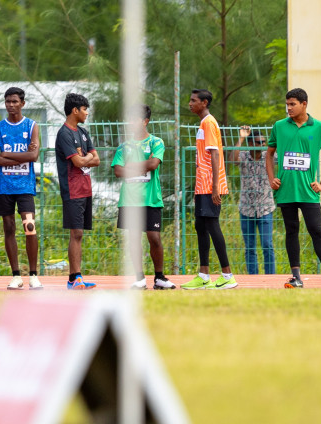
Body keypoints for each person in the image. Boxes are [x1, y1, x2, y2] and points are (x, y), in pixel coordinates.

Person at [267, 89, 321, 288]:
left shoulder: (319, 127)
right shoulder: (279, 126)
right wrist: (271, 178)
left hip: (309, 192)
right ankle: (296, 277)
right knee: (291, 231)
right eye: (287, 104)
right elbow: (269, 154)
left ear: (304, 104)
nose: (288, 108)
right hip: (286, 190)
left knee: (316, 230)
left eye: (292, 104)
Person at [112, 106, 174, 290]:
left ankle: (159, 277)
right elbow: (118, 170)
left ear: (145, 121)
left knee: (154, 237)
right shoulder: (124, 146)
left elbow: (154, 164)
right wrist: (143, 165)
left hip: (150, 199)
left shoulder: (156, 142)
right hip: (130, 200)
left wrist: (131, 165)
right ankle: (139, 278)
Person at [182, 89, 236, 290]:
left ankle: (227, 275)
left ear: (204, 103)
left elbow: (215, 155)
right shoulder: (203, 123)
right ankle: (204, 275)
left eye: (194, 100)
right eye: (190, 99)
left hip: (210, 185)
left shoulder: (209, 123)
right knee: (200, 226)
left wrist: (215, 187)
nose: (190, 103)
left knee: (213, 226)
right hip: (202, 185)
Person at [0, 86, 43, 290]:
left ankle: (33, 275)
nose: (11, 105)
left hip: (25, 186)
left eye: (14, 101)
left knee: (29, 227)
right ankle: (16, 275)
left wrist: (5, 155)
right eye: (7, 101)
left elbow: (33, 157)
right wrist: (5, 157)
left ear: (22, 103)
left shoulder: (31, 126)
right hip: (4, 186)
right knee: (9, 229)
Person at [55, 91, 98, 290]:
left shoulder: (83, 132)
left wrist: (86, 158)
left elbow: (96, 159)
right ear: (75, 110)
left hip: (85, 188)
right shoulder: (64, 133)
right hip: (72, 190)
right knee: (76, 233)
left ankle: (74, 278)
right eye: (84, 109)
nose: (87, 113)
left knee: (80, 233)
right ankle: (75, 278)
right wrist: (86, 158)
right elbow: (79, 161)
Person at [237, 125, 276, 276]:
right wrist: (241, 138)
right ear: (251, 143)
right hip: (246, 209)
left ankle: (270, 277)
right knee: (250, 247)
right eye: (259, 142)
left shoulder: (269, 156)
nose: (262, 145)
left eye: (264, 142)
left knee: (267, 245)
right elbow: (233, 159)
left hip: (266, 208)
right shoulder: (244, 156)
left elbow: (286, 159)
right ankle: (254, 278)